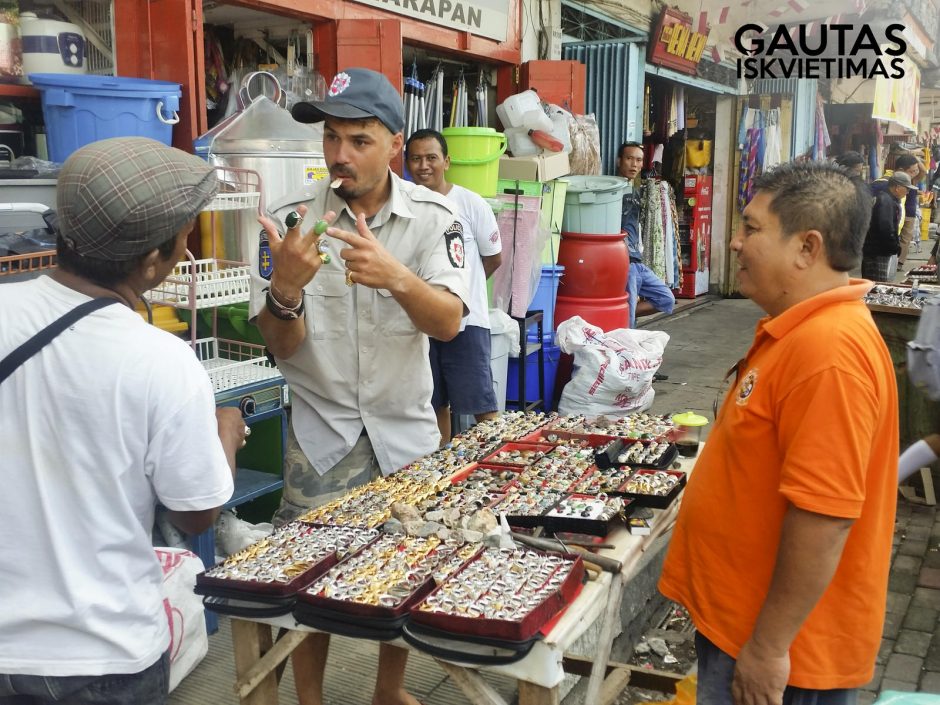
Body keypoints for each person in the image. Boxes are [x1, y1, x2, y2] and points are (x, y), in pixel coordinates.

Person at [252, 68, 470, 705]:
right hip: (323, 431)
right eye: (331, 139)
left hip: (404, 427)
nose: (339, 155)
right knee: (307, 575)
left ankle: (387, 692)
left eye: (358, 140)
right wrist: (286, 287)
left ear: (395, 144)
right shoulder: (294, 221)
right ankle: (310, 699)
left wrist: (397, 278)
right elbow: (279, 343)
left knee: (402, 570)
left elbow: (451, 324)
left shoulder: (435, 219)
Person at [0, 137, 242, 705]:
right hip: (103, 655)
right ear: (151, 260)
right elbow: (195, 513)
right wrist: (223, 434)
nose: (185, 252)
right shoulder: (158, 359)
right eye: (183, 239)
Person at [659, 162, 898, 705]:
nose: (735, 242)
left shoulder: (828, 354)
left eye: (752, 228)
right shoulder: (800, 331)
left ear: (807, 247)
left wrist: (768, 647)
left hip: (783, 653)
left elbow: (824, 516)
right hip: (742, 625)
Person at [405, 128, 502, 442]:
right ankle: (442, 474)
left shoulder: (471, 204)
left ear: (446, 161)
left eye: (431, 158)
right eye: (416, 159)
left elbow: (493, 258)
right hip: (420, 324)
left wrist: (460, 291)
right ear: (406, 164)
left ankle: (498, 467)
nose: (424, 166)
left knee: (481, 405)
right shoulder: (404, 206)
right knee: (434, 405)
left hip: (467, 322)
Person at [617, 141, 676, 327]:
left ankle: (626, 310)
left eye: (639, 160)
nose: (634, 164)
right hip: (624, 262)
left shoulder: (635, 191)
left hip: (638, 261)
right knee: (628, 324)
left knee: (667, 299)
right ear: (619, 161)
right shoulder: (613, 191)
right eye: (629, 159)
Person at [871, 152, 926, 266]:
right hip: (877, 245)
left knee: (901, 239)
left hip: (900, 220)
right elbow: (885, 224)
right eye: (912, 171)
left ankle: (897, 261)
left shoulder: (907, 182)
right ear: (897, 188)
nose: (907, 192)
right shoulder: (884, 189)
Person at [861, 172, 915, 281]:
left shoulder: (888, 199)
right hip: (877, 253)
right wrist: (894, 247)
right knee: (877, 286)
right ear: (897, 187)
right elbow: (885, 228)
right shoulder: (885, 201)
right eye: (907, 189)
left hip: (879, 251)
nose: (908, 192)